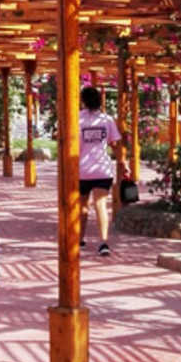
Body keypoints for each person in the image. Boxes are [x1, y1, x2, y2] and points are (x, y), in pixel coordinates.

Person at [77, 84, 123, 256]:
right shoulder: (107, 120)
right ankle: (103, 243)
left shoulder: (76, 119)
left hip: (82, 170)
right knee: (100, 205)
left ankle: (80, 239)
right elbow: (115, 144)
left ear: (83, 100)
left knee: (82, 206)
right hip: (102, 169)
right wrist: (122, 161)